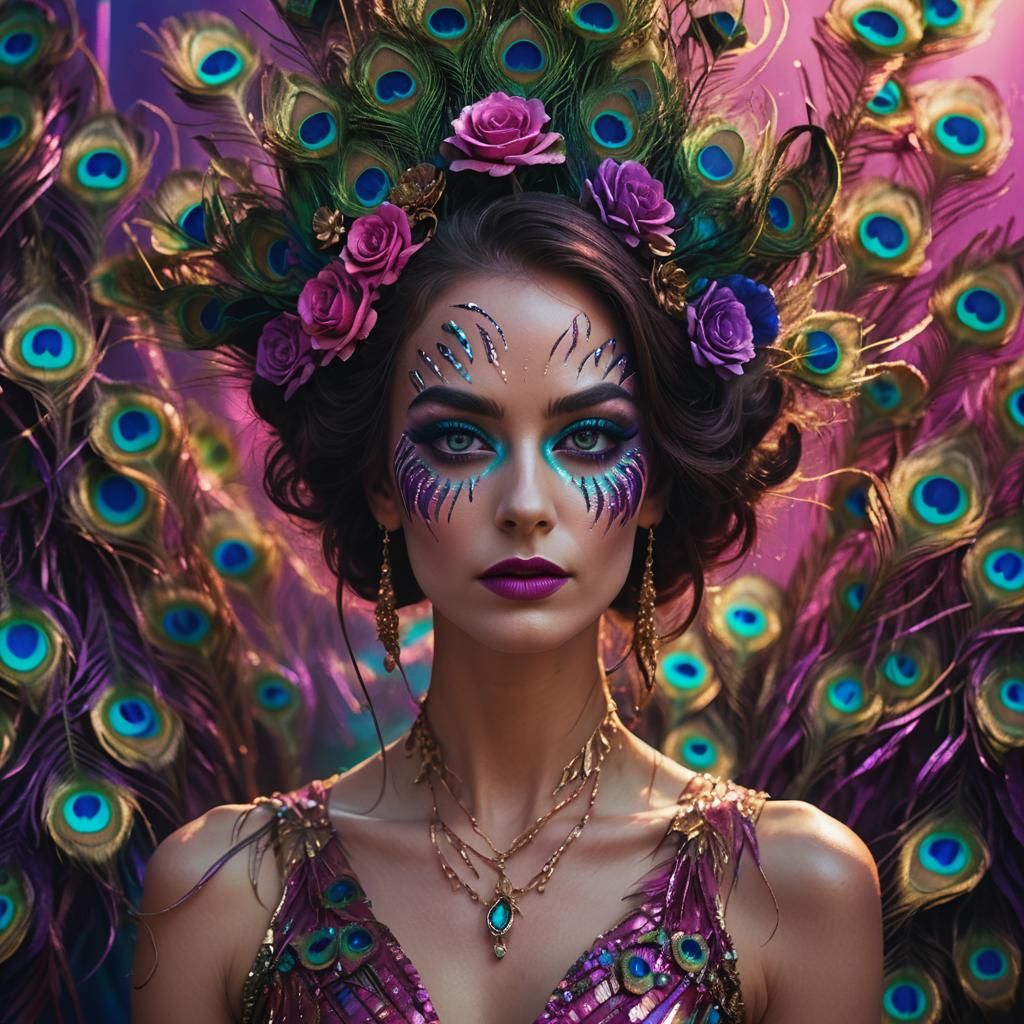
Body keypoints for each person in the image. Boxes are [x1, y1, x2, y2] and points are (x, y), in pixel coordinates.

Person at [131, 192, 883, 1023]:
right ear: (383, 483)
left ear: (658, 485)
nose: (525, 502)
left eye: (589, 437)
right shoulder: (223, 894)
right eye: (458, 439)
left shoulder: (795, 889)